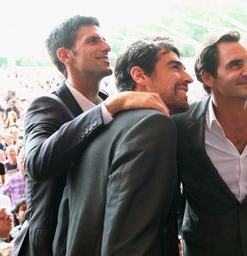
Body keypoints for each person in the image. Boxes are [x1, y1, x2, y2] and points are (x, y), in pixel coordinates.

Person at [13, 15, 167, 256]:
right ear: (65, 55)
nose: (106, 46)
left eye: (104, 39)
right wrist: (105, 110)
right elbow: (36, 163)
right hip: (53, 247)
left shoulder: (114, 104)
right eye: (93, 41)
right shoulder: (47, 105)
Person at [54, 37, 181, 256]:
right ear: (139, 75)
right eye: (174, 67)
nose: (188, 78)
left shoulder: (97, 127)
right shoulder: (153, 125)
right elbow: (132, 240)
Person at [172, 31, 247, 255]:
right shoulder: (182, 126)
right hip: (204, 248)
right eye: (235, 65)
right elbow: (171, 196)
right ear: (208, 77)